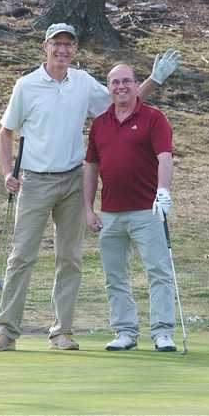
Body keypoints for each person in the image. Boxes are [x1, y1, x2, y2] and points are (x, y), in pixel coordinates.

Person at [0, 23, 181, 352]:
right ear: (46, 46)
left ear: (74, 49)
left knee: (70, 258)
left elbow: (125, 100)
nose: (63, 50)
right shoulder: (26, 85)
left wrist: (154, 80)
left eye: (69, 45)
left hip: (73, 179)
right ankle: (5, 331)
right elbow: (6, 132)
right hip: (34, 179)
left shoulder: (83, 83)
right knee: (21, 257)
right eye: (57, 44)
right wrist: (7, 172)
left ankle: (61, 332)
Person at [83, 63, 177, 352]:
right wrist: (87, 208)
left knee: (158, 272)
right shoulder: (100, 123)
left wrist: (163, 192)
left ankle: (162, 332)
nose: (120, 87)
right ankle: (125, 331)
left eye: (126, 81)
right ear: (108, 88)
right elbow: (91, 167)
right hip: (110, 213)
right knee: (115, 276)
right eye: (114, 82)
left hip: (147, 211)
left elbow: (164, 158)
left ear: (138, 86)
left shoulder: (153, 118)